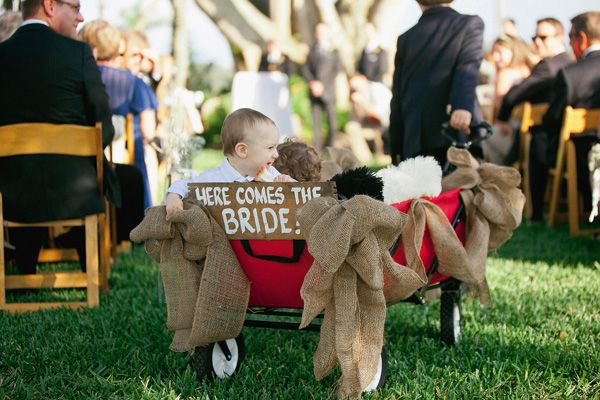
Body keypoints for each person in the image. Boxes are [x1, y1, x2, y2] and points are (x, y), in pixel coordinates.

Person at [0, 0, 119, 274]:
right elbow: (105, 125)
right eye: (75, 7)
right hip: (76, 193)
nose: (81, 16)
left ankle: (25, 267)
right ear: (50, 6)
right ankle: (87, 263)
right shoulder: (78, 53)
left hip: (10, 195)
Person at [388, 0, 484, 167]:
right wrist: (461, 106)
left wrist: (396, 146)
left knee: (420, 192)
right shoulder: (468, 24)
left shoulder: (406, 38)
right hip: (456, 131)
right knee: (460, 191)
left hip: (416, 137)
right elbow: (468, 67)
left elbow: (398, 95)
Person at [79, 19, 146, 243]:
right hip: (121, 150)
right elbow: (145, 124)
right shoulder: (132, 82)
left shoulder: (82, 77)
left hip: (86, 147)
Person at [530, 11, 600, 222]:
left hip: (579, 151)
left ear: (582, 39)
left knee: (539, 139)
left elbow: (553, 119)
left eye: (571, 38)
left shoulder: (571, 74)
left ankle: (536, 213)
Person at [165, 108, 295, 215]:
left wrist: (291, 185)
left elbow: (301, 198)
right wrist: (173, 197)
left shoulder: (272, 174)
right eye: (270, 148)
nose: (276, 154)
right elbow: (183, 185)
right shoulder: (213, 179)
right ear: (242, 150)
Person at [489, 18, 573, 167]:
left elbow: (514, 95)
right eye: (535, 38)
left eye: (543, 37)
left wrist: (501, 118)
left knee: (486, 138)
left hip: (542, 139)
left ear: (560, 37)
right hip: (563, 140)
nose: (537, 42)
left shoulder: (548, 65)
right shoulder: (571, 63)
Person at [482, 35, 534, 164]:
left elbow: (498, 111)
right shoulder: (528, 70)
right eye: (494, 52)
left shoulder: (506, 74)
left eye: (499, 52)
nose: (495, 57)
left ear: (513, 51)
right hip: (527, 134)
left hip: (510, 134)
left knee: (483, 135)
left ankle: (496, 176)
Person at [302, 23, 342, 152]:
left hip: (328, 90)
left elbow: (336, 70)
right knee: (316, 124)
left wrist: (322, 85)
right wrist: (313, 83)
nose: (320, 35)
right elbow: (305, 68)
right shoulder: (312, 50)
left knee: (331, 122)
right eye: (318, 32)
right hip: (314, 91)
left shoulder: (334, 51)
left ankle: (331, 149)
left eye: (322, 32)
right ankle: (317, 151)